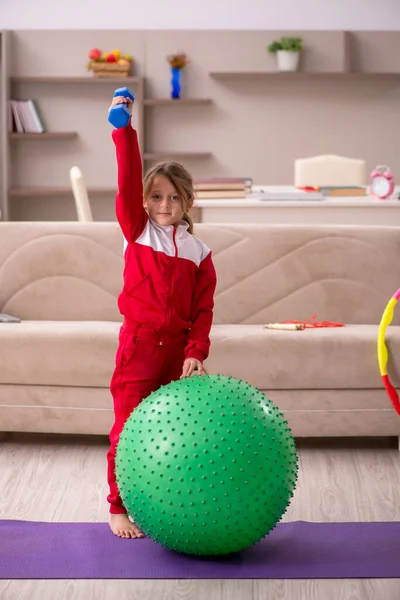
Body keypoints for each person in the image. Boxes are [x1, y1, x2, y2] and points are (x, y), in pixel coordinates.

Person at [106, 94, 218, 539]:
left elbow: (203, 310)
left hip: (177, 356)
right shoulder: (138, 232)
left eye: (174, 197)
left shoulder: (199, 253)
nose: (165, 204)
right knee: (128, 427)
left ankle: (170, 504)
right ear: (146, 201)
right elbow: (127, 176)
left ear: (187, 200)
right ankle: (118, 507)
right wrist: (124, 130)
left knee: (176, 434)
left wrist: (196, 351)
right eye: (156, 196)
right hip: (138, 347)